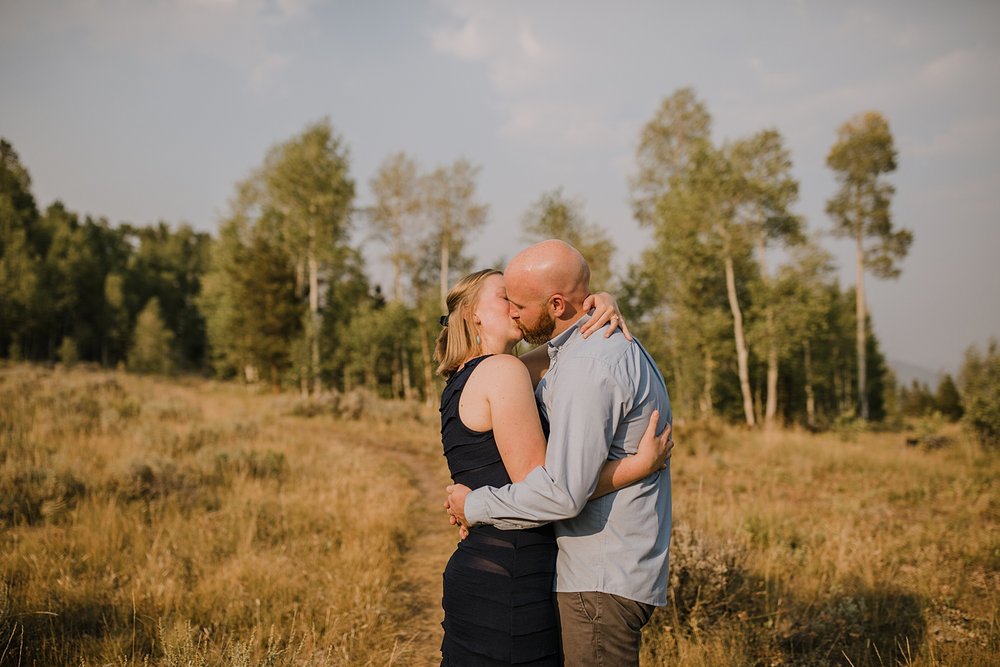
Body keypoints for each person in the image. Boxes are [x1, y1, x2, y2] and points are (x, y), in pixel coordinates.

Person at [446, 240, 672, 666]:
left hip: (596, 575)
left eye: (518, 301)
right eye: (505, 299)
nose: (513, 309)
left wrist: (472, 504)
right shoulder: (560, 360)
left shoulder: (582, 361)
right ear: (472, 314)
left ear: (554, 303)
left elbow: (561, 491)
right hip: (570, 572)